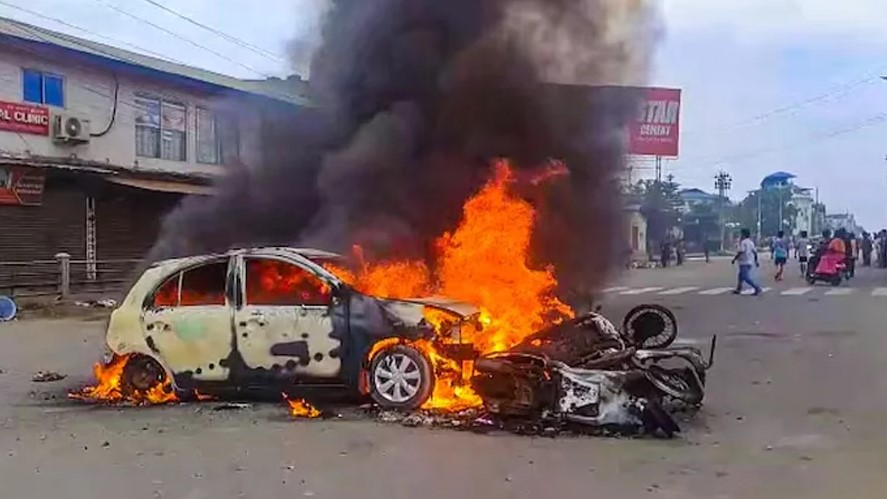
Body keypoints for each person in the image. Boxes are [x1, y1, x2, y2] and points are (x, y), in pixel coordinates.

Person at [732, 228, 763, 296]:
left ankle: (756, 288)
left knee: (745, 277)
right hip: (749, 262)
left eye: (741, 234)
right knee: (740, 276)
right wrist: (756, 261)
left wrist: (735, 259)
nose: (740, 235)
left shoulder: (743, 242)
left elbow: (741, 251)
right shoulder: (750, 242)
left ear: (744, 234)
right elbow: (755, 252)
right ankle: (738, 289)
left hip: (744, 262)